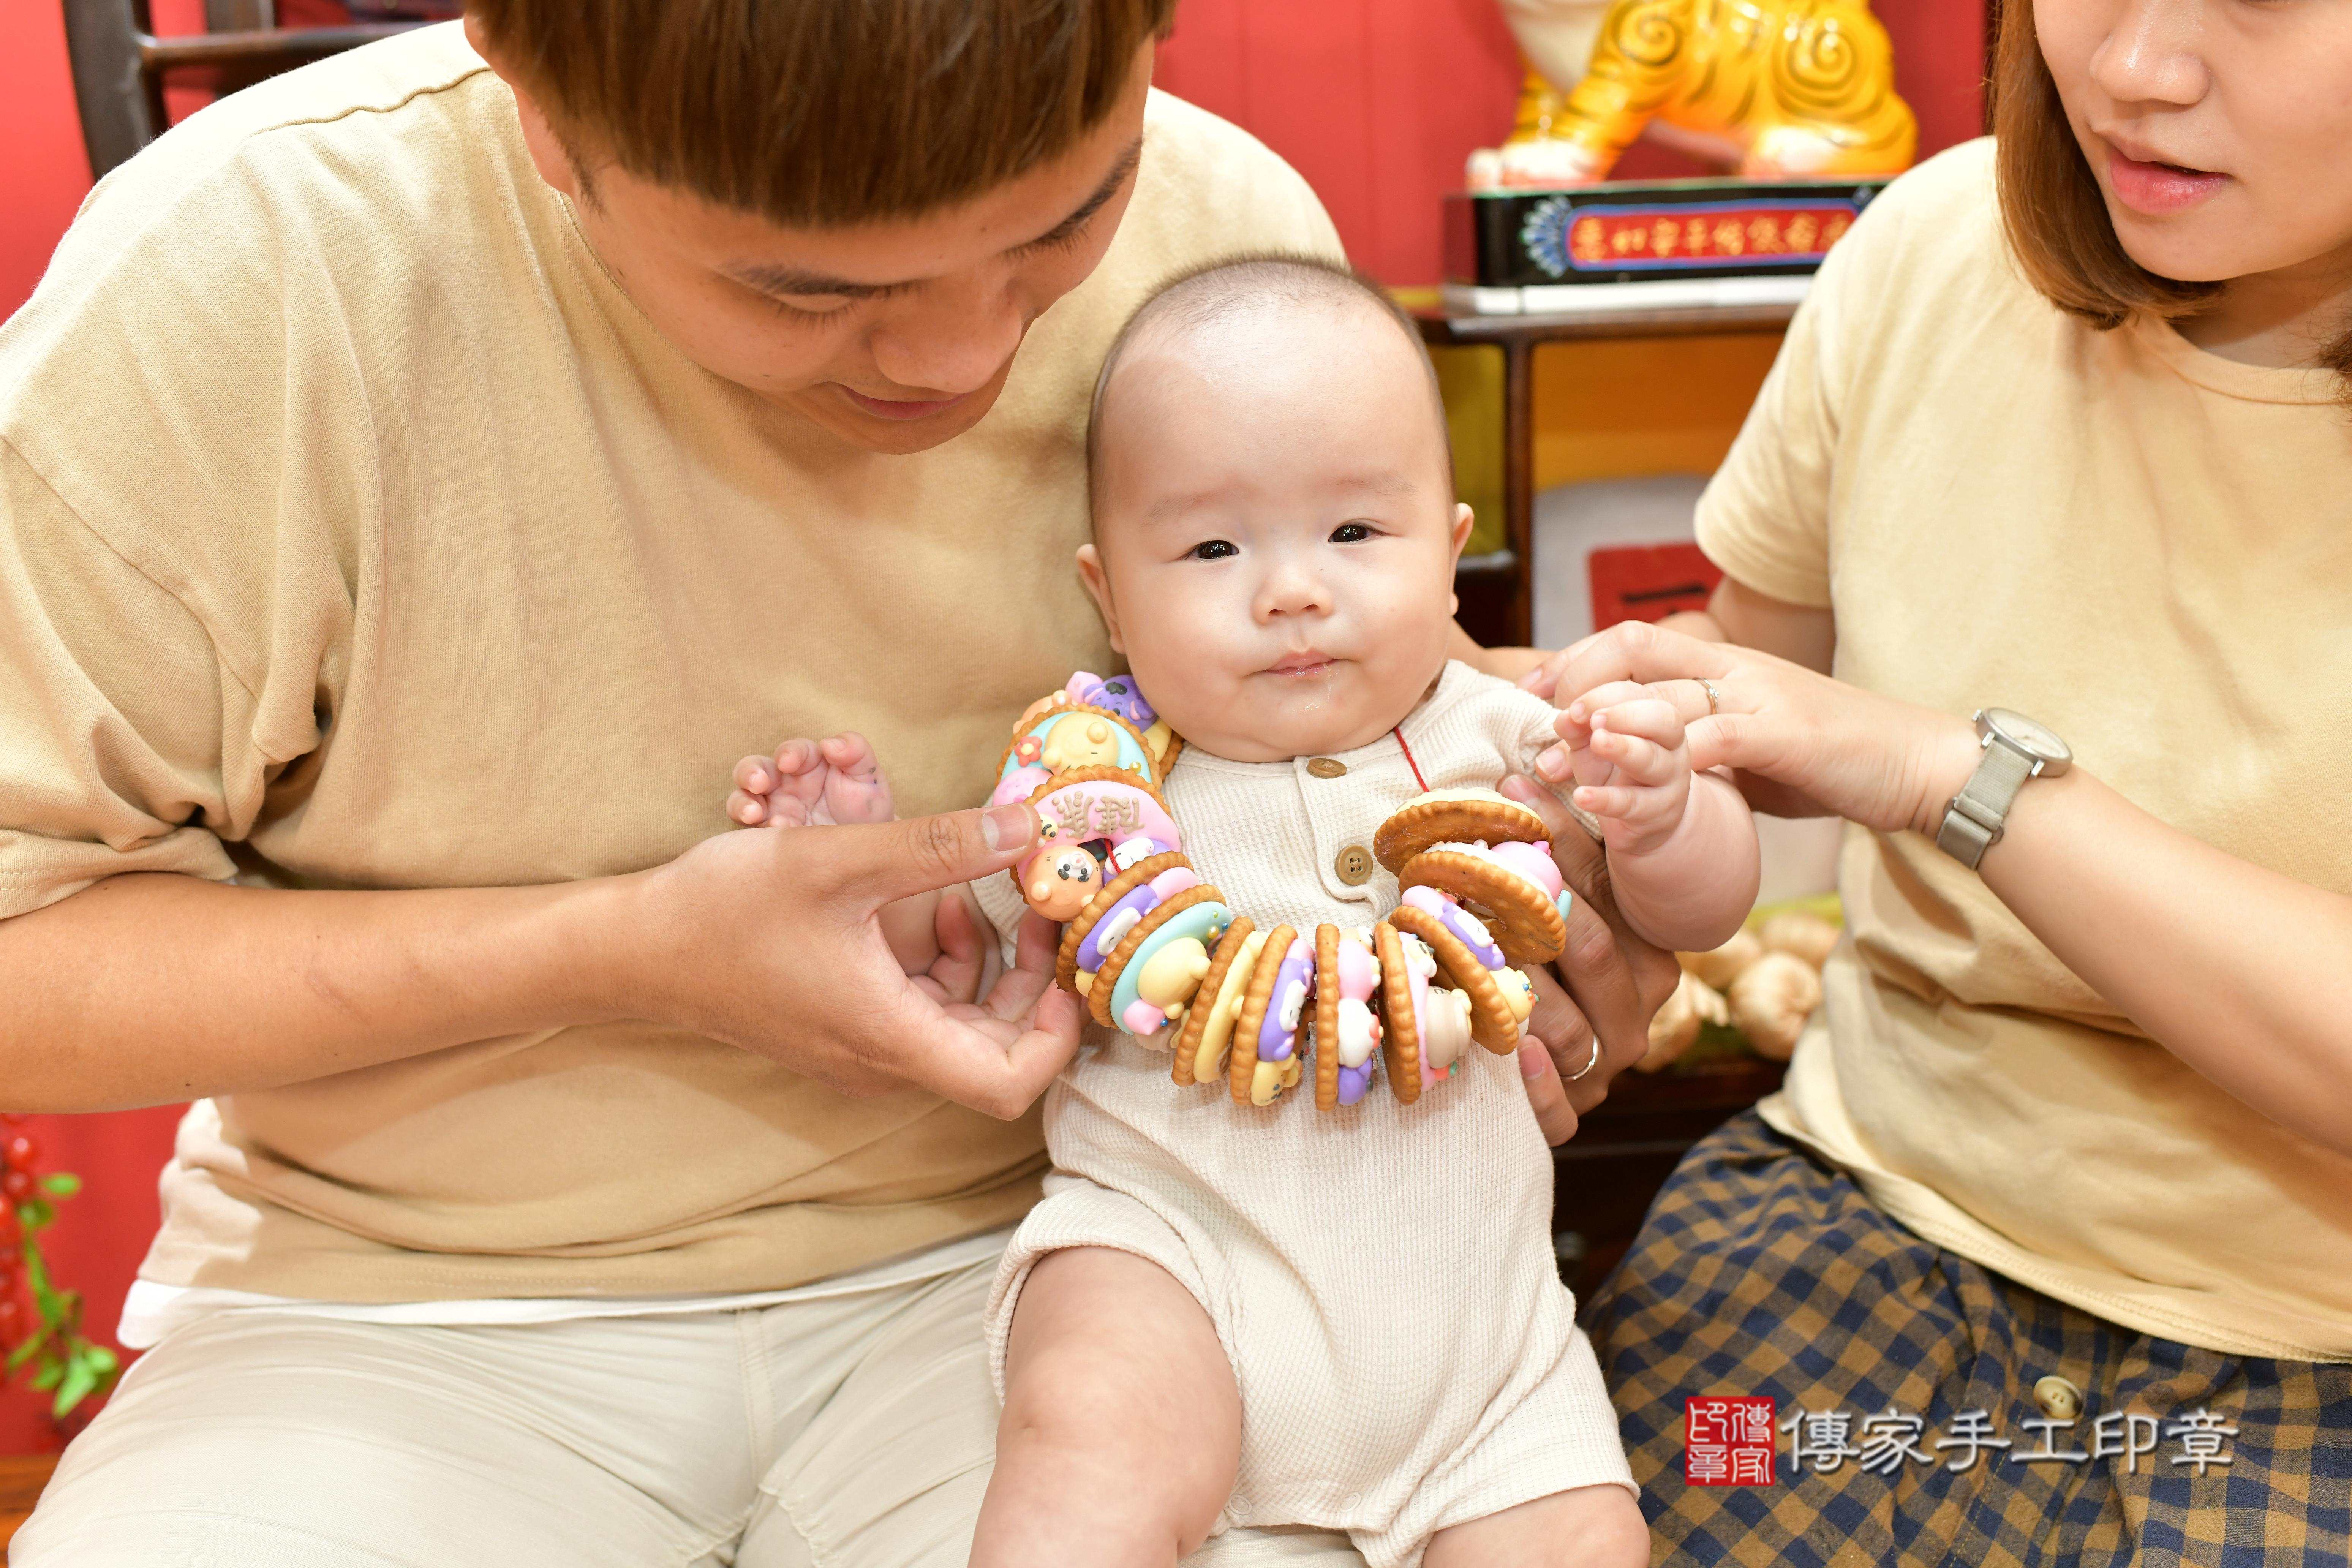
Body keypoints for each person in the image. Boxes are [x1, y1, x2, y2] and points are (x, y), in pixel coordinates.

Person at [0, 6, 1679, 1562]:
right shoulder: (256, 275)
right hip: (392, 1314)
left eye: (1059, 227)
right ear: (541, 106)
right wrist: (618, 953)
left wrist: (1577, 882)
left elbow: (1373, 736)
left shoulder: (1225, 243)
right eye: (804, 291)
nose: (964, 356)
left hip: (1102, 1262)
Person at [737, 258, 1736, 1568]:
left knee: (1587, 1535)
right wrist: (857, 873)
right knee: (1087, 1446)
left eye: (1356, 536)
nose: (1292, 591)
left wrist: (1669, 816)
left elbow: (1707, 911)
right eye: (1213, 548)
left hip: (1483, 1352)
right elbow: (970, 956)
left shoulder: (1514, 742)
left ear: (1450, 556)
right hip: (1178, 1272)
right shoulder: (1099, 791)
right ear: (1110, 597)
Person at [1516, 0, 2352, 1559]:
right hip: (1863, 1220)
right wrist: (1529, 737)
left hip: (2306, 1351)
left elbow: (1866, 745)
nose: (2135, 68)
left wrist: (1948, 779)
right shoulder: (1930, 247)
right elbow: (1749, 684)